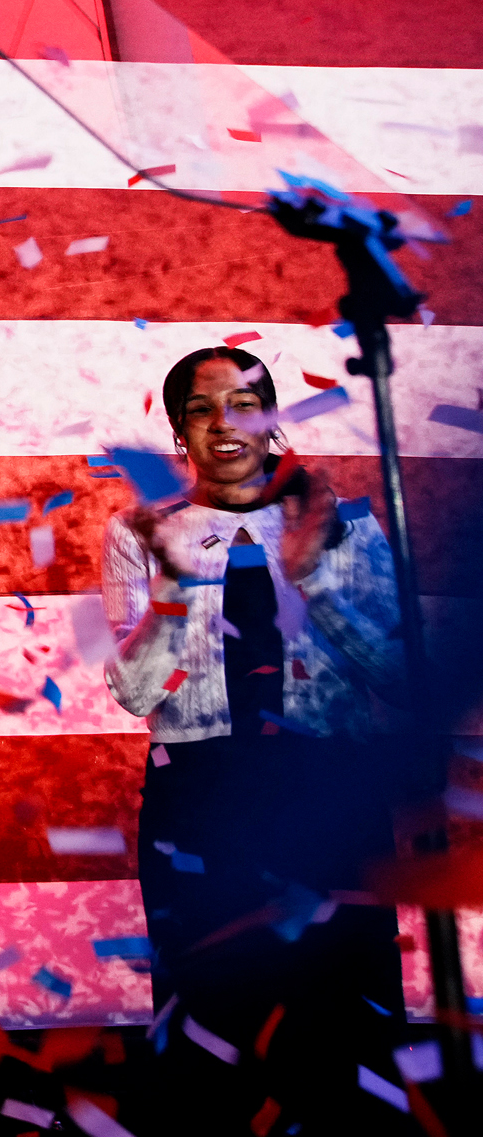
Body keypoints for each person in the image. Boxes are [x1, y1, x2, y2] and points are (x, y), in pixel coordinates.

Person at [102, 345, 407, 1132]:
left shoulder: (348, 521)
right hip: (198, 794)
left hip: (329, 788)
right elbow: (137, 693)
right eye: (201, 410)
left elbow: (400, 674)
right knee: (213, 1004)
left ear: (270, 421)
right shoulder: (140, 529)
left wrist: (315, 575)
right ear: (180, 433)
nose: (224, 423)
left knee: (342, 1003)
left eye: (244, 403)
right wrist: (171, 594)